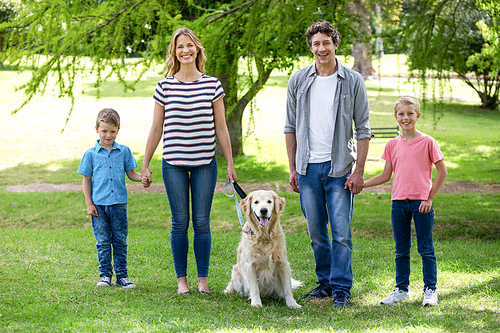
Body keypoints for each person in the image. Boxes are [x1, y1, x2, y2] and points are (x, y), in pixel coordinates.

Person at [141, 27, 237, 296]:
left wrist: (230, 164)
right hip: (173, 163)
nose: (185, 50)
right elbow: (156, 128)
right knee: (180, 222)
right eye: (180, 46)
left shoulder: (212, 84)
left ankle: (202, 280)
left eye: (189, 45)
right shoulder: (164, 86)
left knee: (203, 223)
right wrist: (146, 163)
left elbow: (221, 128)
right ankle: (182, 280)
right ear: (174, 51)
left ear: (197, 49)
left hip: (205, 162)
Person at [284, 21, 371, 308]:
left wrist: (358, 172)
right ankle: (325, 283)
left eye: (326, 43)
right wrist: (293, 168)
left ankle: (342, 289)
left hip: (340, 169)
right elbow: (290, 128)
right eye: (316, 44)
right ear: (311, 48)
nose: (321, 49)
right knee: (317, 233)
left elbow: (364, 129)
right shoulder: (298, 80)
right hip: (308, 169)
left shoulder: (353, 80)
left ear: (335, 44)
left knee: (341, 233)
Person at [363, 95, 447, 306]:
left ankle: (430, 290)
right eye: (401, 114)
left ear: (417, 115)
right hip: (398, 203)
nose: (405, 117)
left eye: (410, 113)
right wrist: (361, 184)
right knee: (401, 249)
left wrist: (429, 198)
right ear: (396, 117)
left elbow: (442, 172)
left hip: (421, 203)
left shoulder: (428, 142)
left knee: (425, 248)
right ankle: (401, 289)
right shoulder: (392, 144)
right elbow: (385, 176)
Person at [78, 108, 142, 288]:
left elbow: (131, 174)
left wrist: (143, 179)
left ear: (118, 130)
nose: (108, 135)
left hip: (118, 205)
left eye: (113, 131)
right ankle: (105, 275)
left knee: (120, 240)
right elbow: (86, 180)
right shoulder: (90, 154)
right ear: (97, 129)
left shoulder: (124, 151)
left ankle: (122, 276)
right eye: (104, 130)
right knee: (103, 241)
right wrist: (89, 203)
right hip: (98, 205)